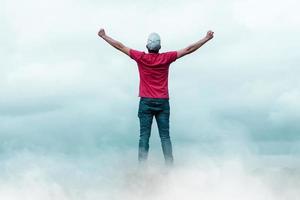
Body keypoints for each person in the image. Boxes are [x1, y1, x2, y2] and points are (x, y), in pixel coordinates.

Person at [98, 28, 214, 166]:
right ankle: (170, 167)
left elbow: (120, 46)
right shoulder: (166, 58)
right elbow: (189, 49)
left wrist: (104, 36)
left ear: (147, 46)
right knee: (165, 137)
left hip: (146, 102)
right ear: (160, 47)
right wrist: (206, 38)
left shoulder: (141, 57)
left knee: (144, 137)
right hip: (163, 102)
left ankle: (142, 169)